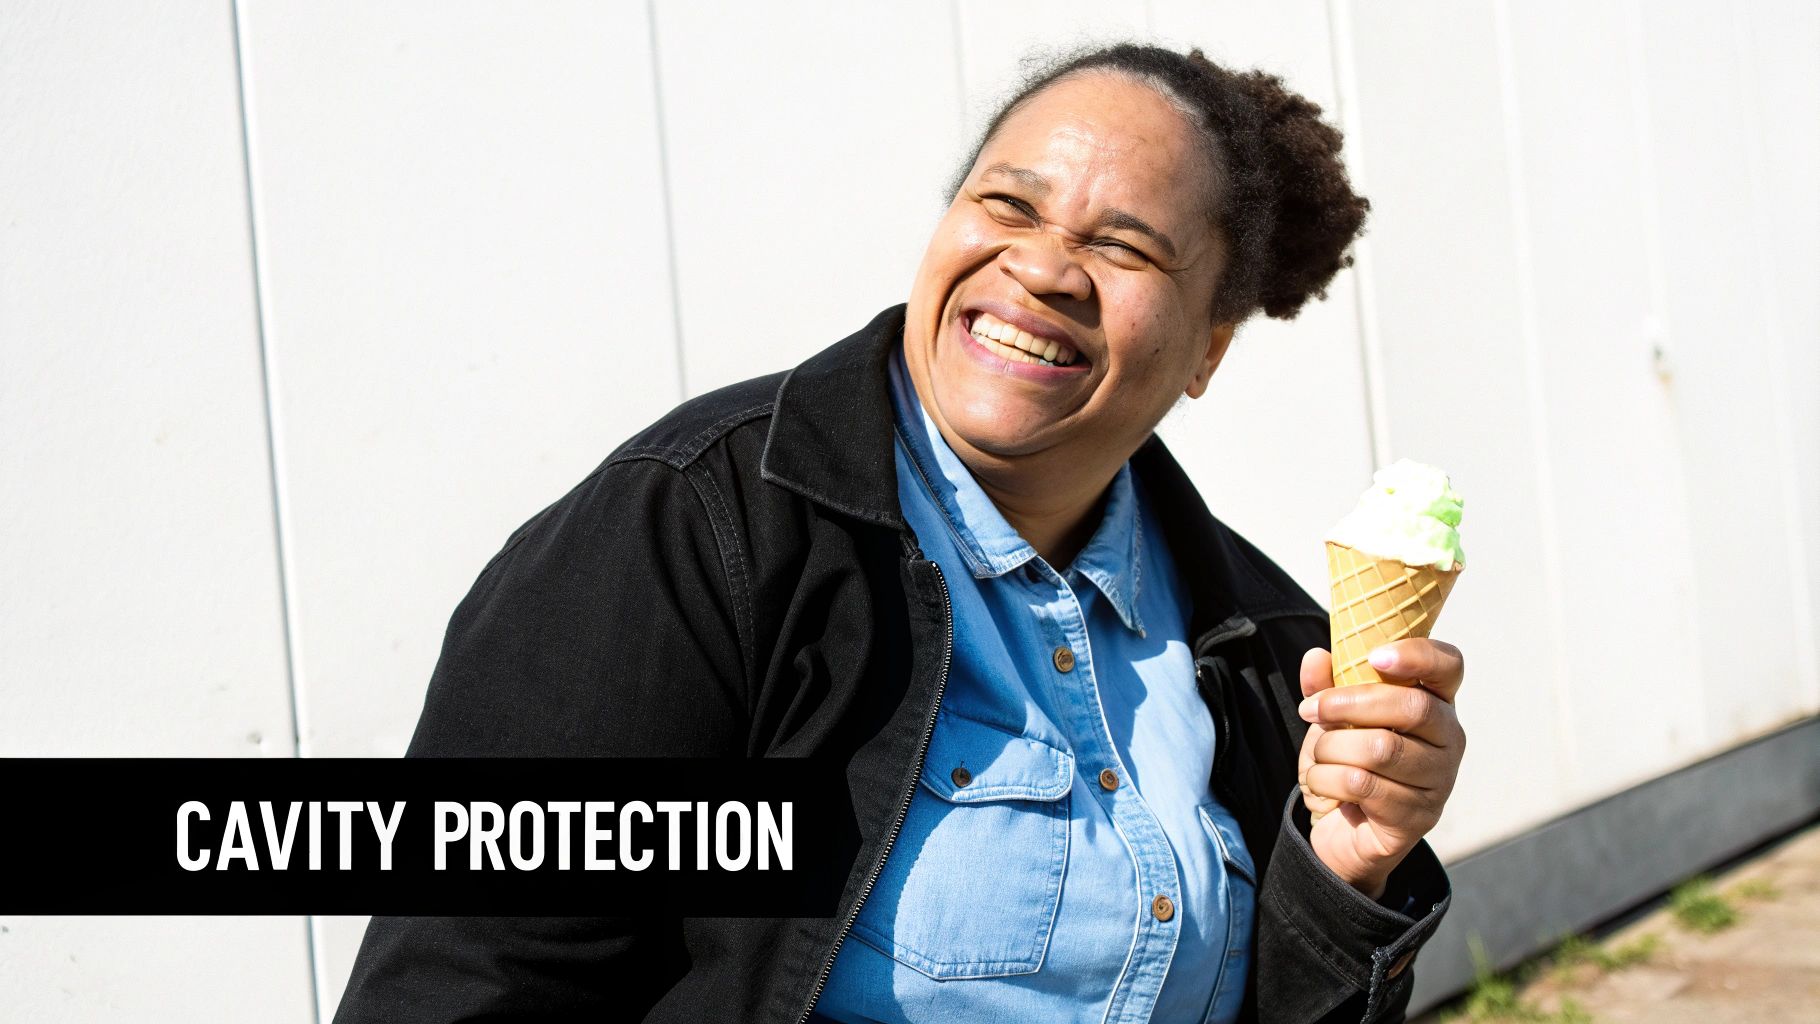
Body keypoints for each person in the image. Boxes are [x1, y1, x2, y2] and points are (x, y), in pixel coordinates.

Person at [335, 42, 1466, 1024]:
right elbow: (470, 978)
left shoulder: (1268, 647)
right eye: (1006, 206)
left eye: (1122, 247)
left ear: (1209, 347)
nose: (1040, 267)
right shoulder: (705, 529)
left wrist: (1345, 872)